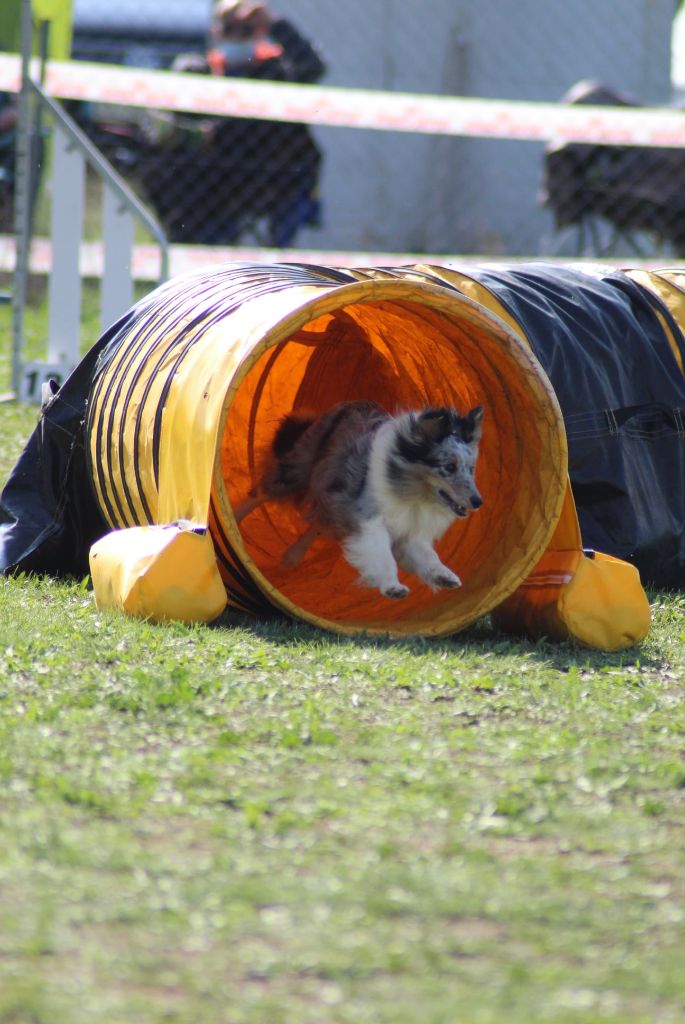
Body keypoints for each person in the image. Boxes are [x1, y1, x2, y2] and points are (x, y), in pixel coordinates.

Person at [141, 1, 326, 247]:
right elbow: (174, 119)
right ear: (216, 31)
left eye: (246, 29)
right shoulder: (199, 70)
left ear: (260, 31)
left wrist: (274, 23)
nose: (238, 37)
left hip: (265, 176)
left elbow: (313, 67)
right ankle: (187, 244)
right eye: (230, 28)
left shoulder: (275, 71)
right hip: (210, 177)